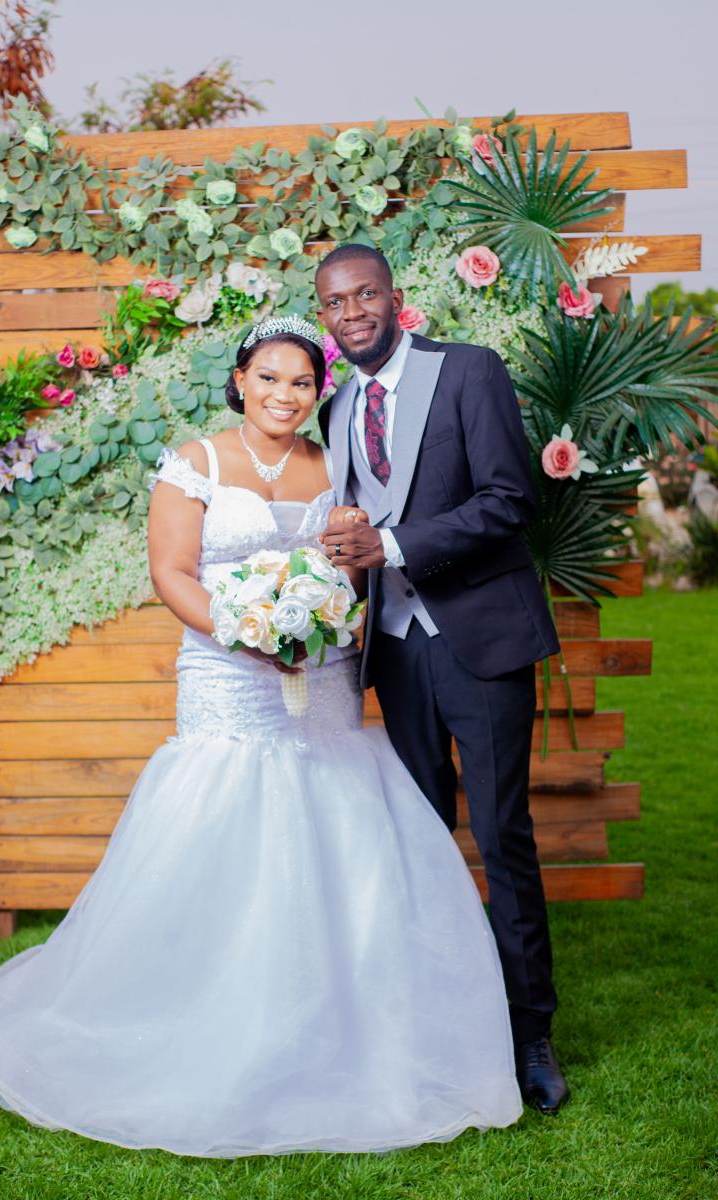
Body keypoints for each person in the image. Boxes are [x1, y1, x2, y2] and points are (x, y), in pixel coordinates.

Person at [0, 315, 523, 1157]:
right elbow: (172, 571)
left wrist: (323, 620)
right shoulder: (197, 463)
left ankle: (345, 1024)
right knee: (224, 828)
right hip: (227, 678)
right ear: (241, 381)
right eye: (270, 378)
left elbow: (355, 562)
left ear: (317, 392)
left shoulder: (336, 463)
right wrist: (241, 629)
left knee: (339, 831)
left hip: (322, 678)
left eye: (302, 382)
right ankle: (198, 1018)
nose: (285, 394)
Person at [316, 245, 570, 1115]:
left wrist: (390, 544)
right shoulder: (337, 409)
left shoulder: (468, 371)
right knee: (422, 843)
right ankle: (443, 1021)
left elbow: (509, 500)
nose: (353, 312)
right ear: (326, 316)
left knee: (500, 835)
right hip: (394, 650)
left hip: (479, 641)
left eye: (365, 295)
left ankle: (529, 1032)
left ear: (395, 297)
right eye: (336, 302)